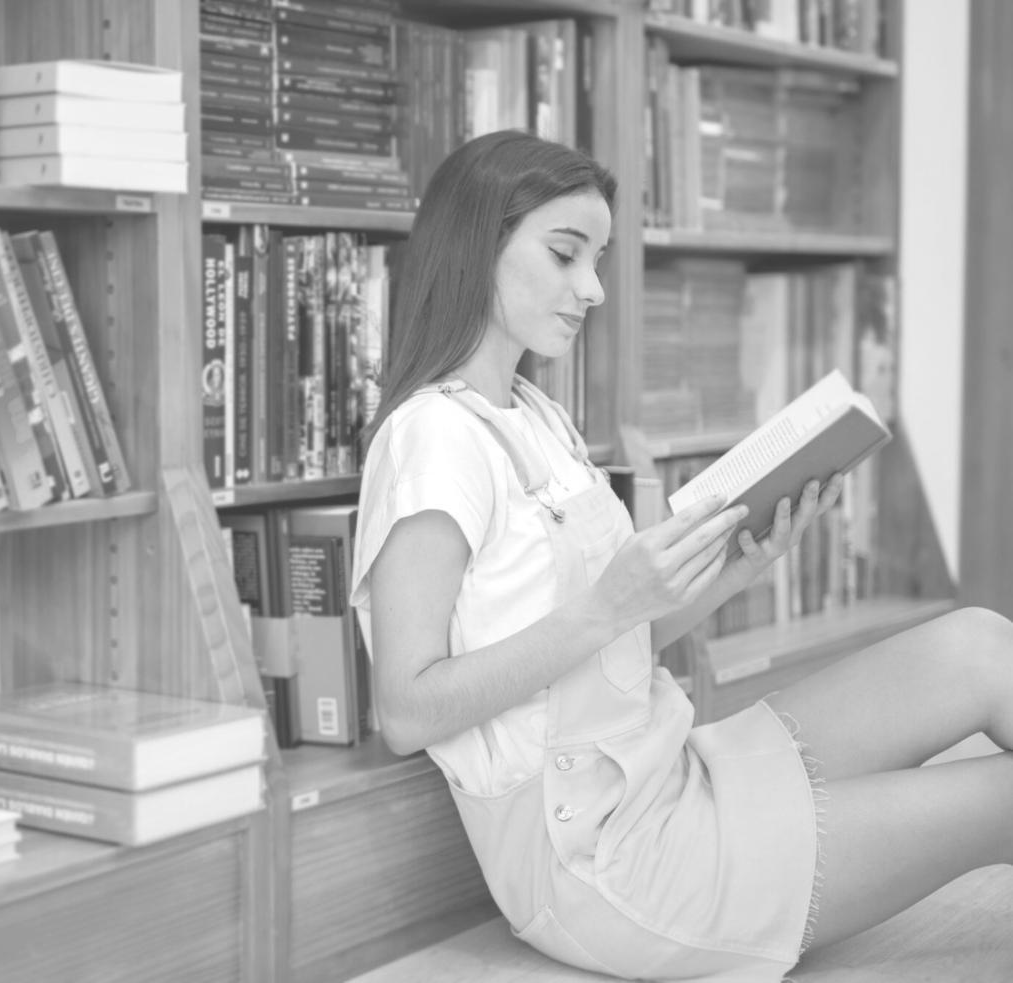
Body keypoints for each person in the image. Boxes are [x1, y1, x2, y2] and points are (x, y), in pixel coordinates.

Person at [349, 129, 1013, 982]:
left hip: (676, 768)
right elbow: (406, 709)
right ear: (480, 244)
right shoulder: (431, 438)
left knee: (977, 643)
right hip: (603, 857)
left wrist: (737, 568)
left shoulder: (536, 416)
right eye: (564, 254)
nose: (590, 288)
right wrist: (609, 605)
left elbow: (611, 651)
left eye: (597, 259)